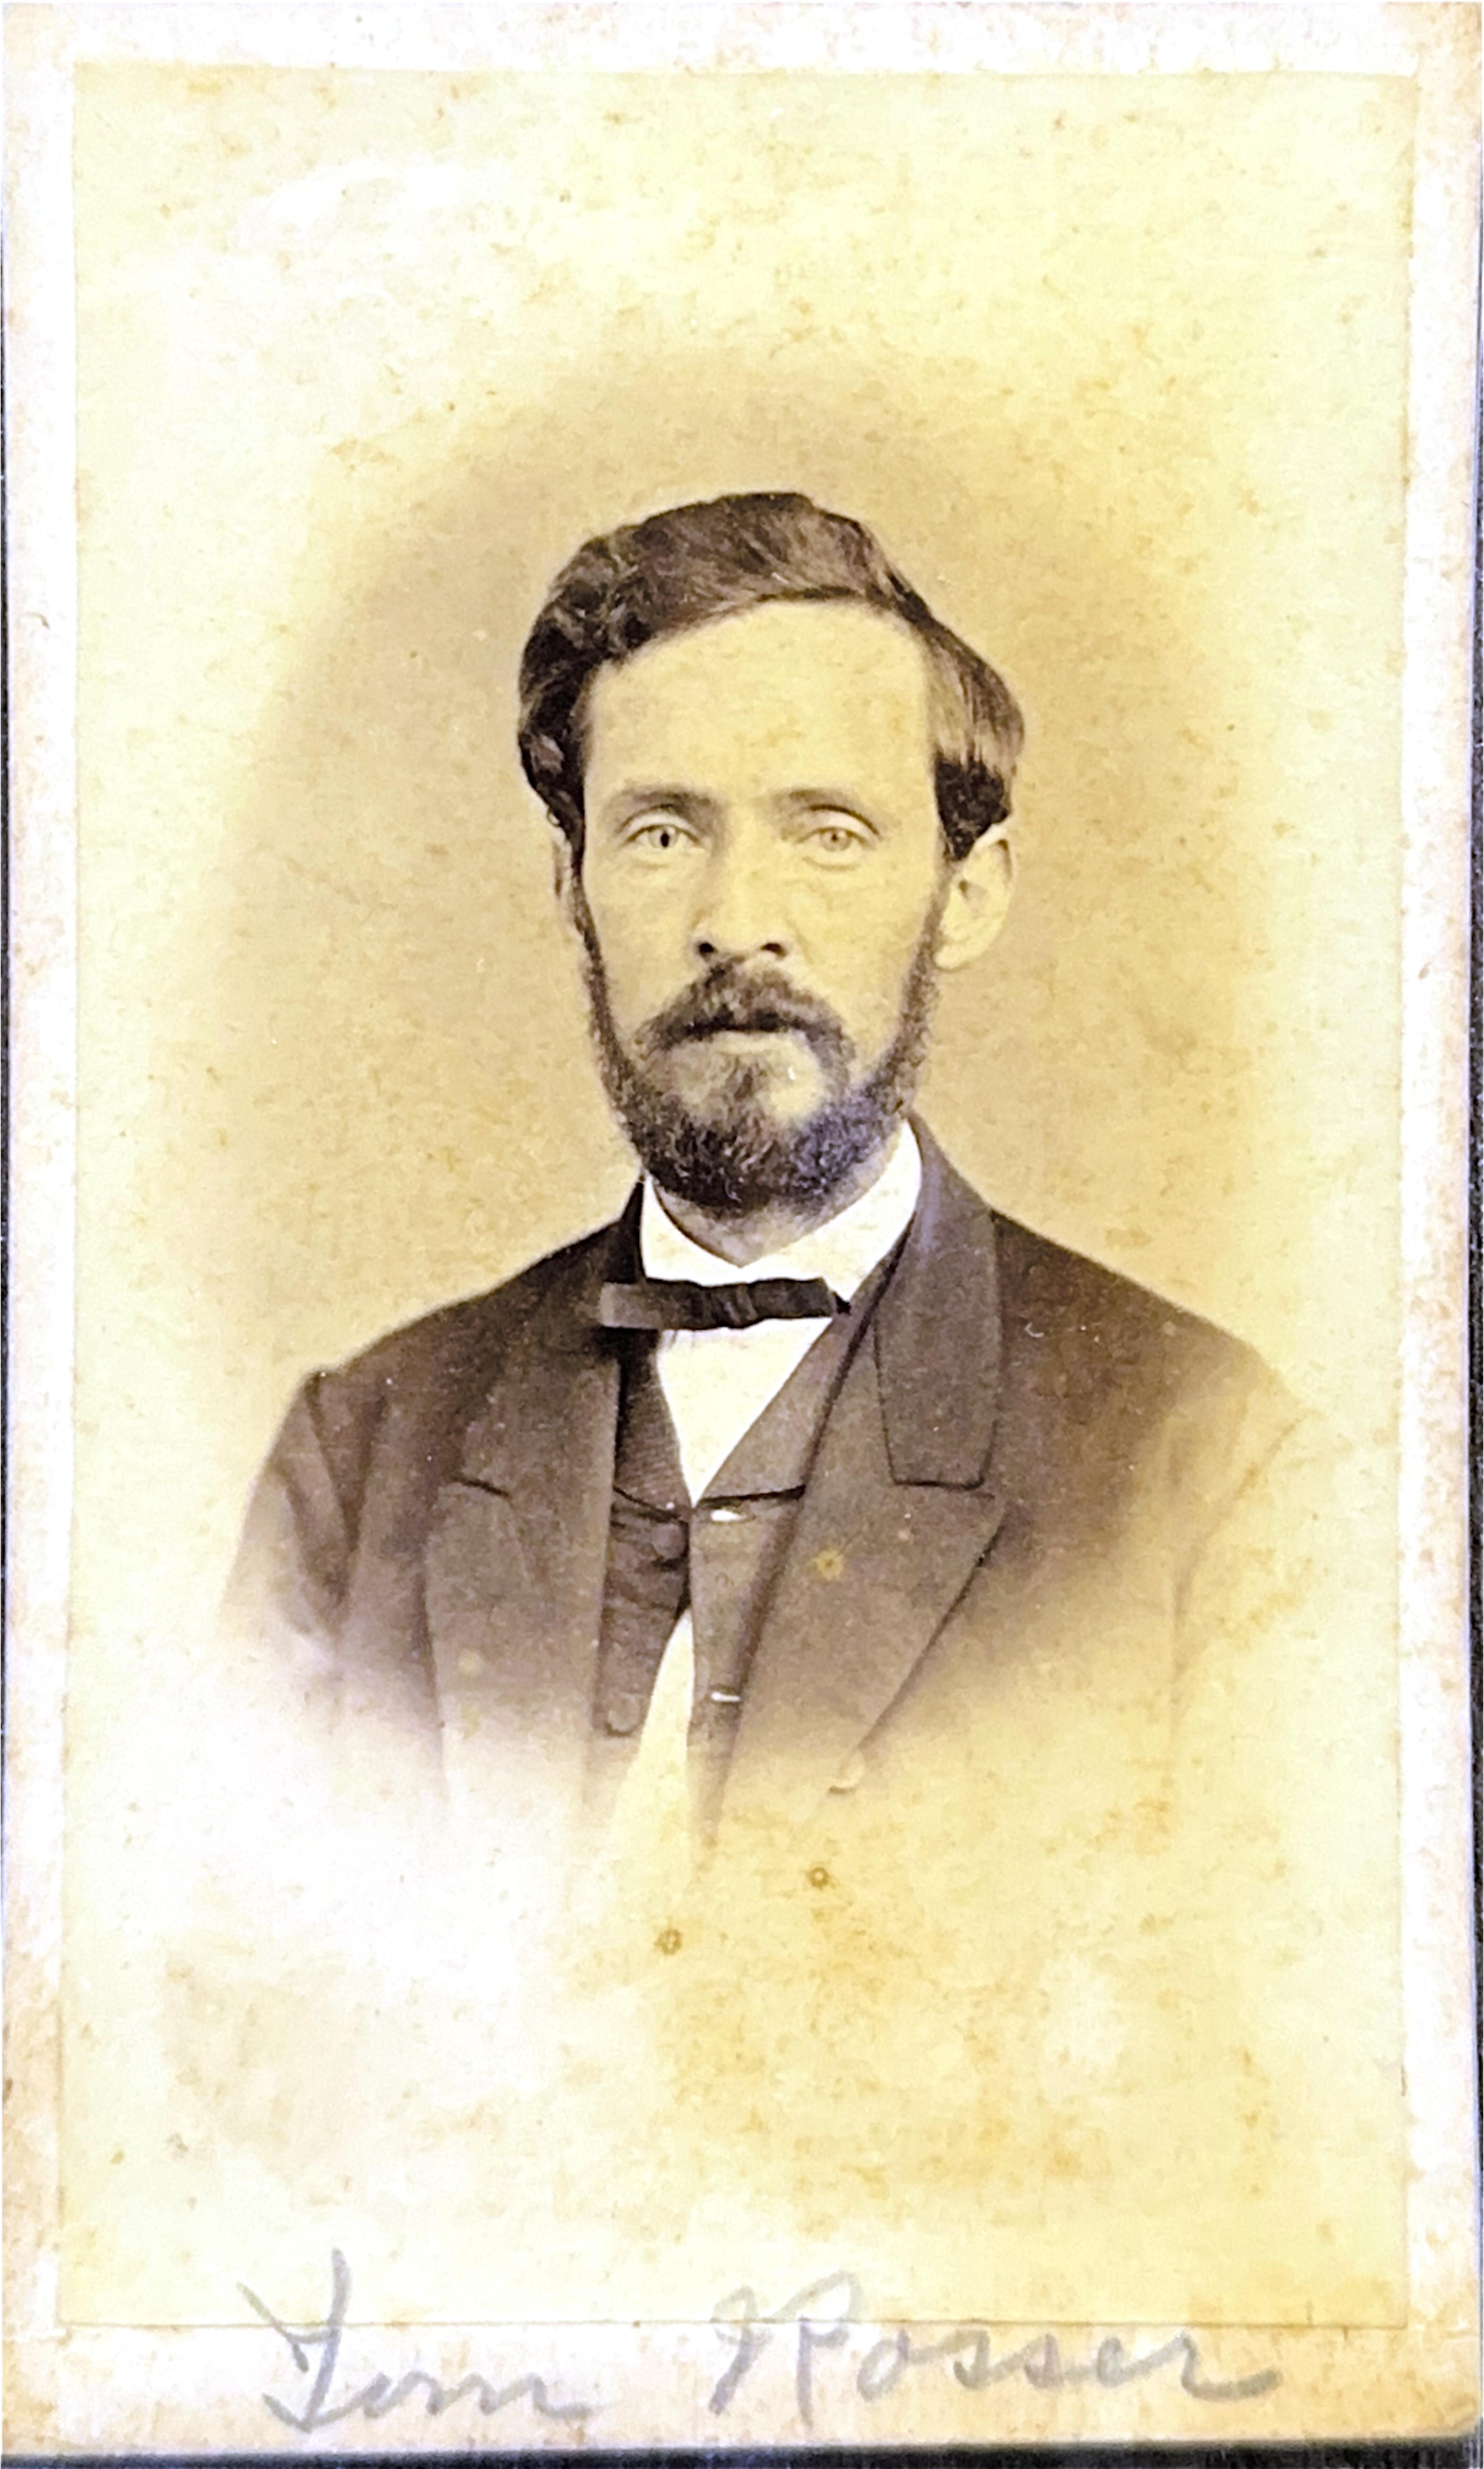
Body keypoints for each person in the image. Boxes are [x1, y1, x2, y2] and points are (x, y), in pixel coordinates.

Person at [220, 490, 1396, 2301]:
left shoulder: (1217, 1471)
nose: (735, 920)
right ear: (570, 889)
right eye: (662, 831)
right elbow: (228, 2088)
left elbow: (1260, 2127)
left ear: (968, 892)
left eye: (828, 832)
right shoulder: (362, 1448)